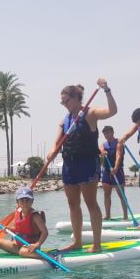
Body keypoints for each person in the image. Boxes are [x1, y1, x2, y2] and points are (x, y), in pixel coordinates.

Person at [47, 78, 117, 252]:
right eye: (62, 101)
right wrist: (51, 152)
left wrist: (107, 90)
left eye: (66, 101)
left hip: (87, 163)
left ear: (77, 98)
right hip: (69, 164)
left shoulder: (91, 113)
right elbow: (57, 142)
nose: (63, 104)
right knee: (72, 203)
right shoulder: (65, 119)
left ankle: (97, 244)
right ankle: (77, 242)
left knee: (90, 202)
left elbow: (112, 111)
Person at [0, 186, 48, 257]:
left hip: (31, 247)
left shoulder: (35, 216)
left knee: (22, 252)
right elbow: (16, 228)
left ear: (32, 201)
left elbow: (45, 232)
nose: (25, 203)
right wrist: (8, 229)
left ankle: (49, 257)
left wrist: (37, 245)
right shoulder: (17, 212)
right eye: (22, 200)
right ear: (17, 202)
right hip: (17, 245)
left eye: (27, 200)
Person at [100, 125, 128, 220]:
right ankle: (107, 215)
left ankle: (125, 216)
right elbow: (101, 149)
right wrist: (102, 151)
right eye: (105, 134)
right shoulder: (104, 144)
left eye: (108, 133)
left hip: (118, 171)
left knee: (121, 195)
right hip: (107, 172)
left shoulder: (118, 143)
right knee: (106, 194)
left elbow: (119, 155)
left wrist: (115, 168)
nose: (107, 135)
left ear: (112, 132)